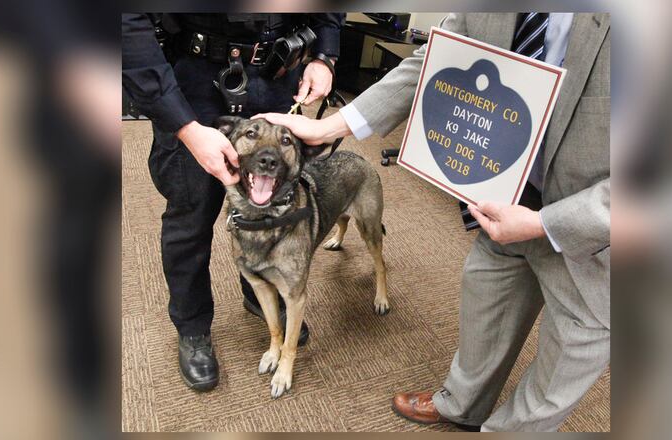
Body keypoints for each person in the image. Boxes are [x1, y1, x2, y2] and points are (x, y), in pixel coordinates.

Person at [257, 13, 610, 431]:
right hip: (504, 190)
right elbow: (435, 58)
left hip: (599, 225)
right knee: (488, 303)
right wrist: (331, 126)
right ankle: (461, 403)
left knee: (571, 345)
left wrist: (545, 223)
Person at [122, 13, 344, 392]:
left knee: (273, 203)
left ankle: (258, 289)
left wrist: (325, 54)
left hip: (278, 72)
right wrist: (186, 128)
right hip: (195, 84)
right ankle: (192, 326)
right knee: (191, 215)